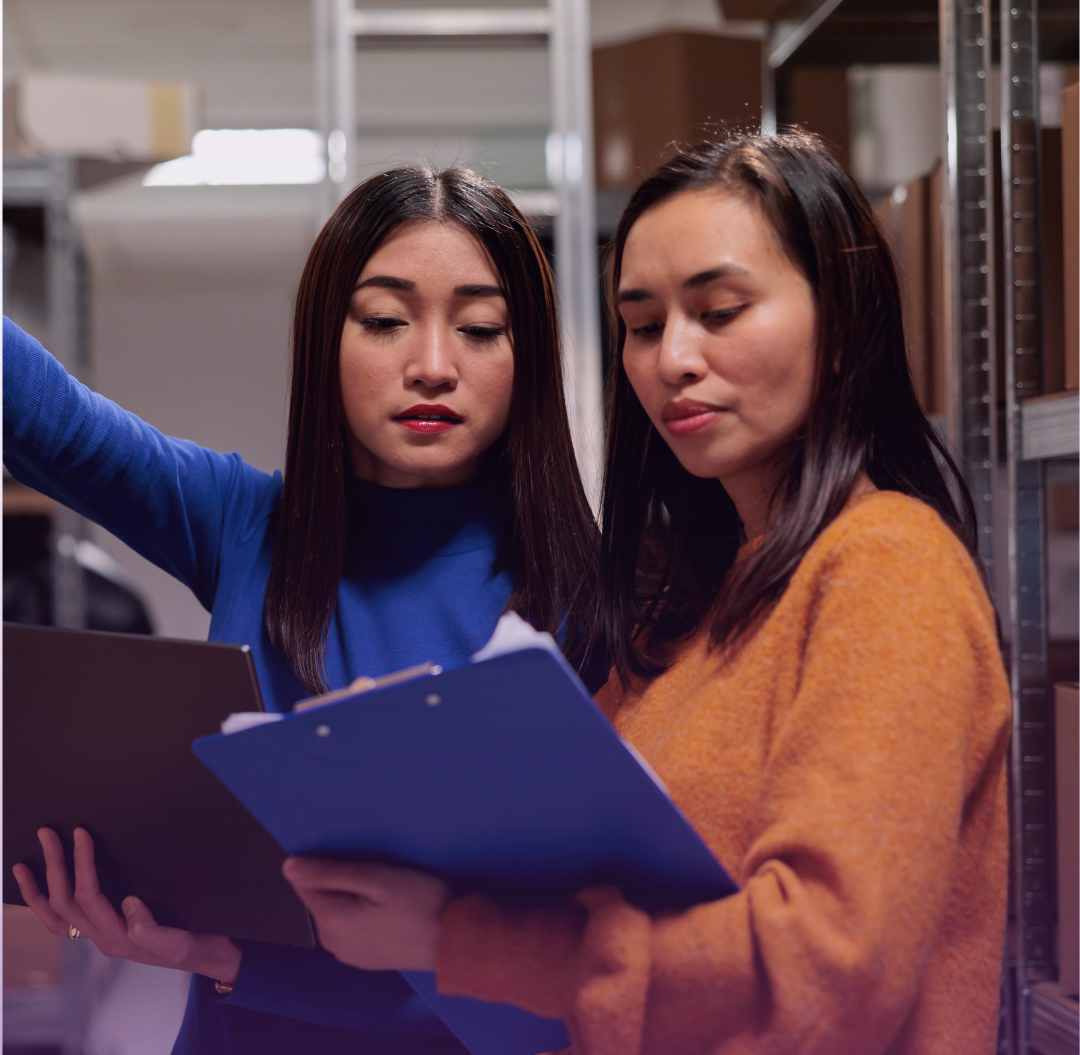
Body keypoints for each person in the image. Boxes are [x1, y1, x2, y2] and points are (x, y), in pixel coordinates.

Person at [282, 133, 1012, 1055]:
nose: (673, 358)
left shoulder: (887, 568)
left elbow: (827, 968)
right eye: (641, 323)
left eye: (720, 310)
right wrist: (399, 765)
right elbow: (559, 853)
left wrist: (454, 938)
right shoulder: (693, 606)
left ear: (845, 330)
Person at [5, 165, 603, 1055]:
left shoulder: (594, 601)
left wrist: (230, 958)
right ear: (329, 337)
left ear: (529, 357)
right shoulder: (247, 525)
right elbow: (54, 423)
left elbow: (562, 986)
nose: (432, 365)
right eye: (386, 320)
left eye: (480, 328)